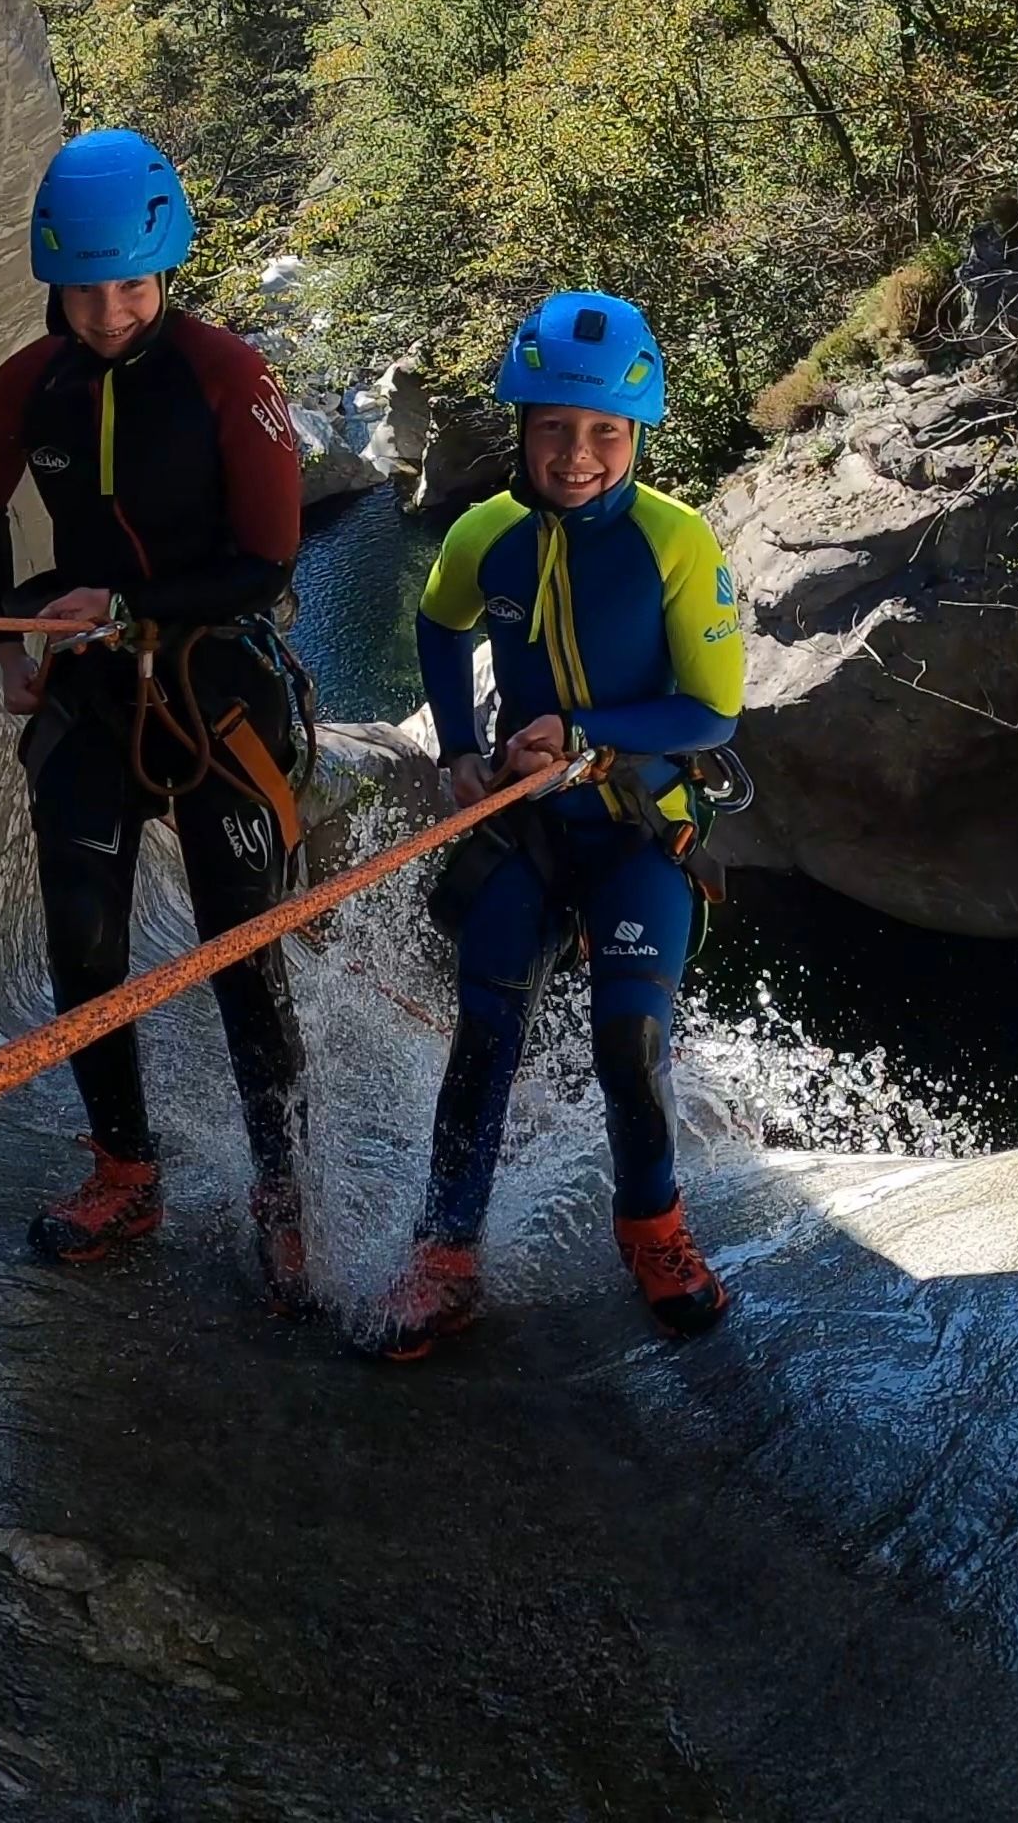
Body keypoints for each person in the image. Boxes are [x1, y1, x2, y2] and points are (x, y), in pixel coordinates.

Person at [0, 128, 314, 1311]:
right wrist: (7, 636)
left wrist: (130, 604)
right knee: (82, 934)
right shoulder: (30, 381)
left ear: (167, 272)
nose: (109, 311)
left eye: (132, 284)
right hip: (97, 687)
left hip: (217, 673)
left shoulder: (228, 377)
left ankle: (284, 1192)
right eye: (87, 287)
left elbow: (265, 561)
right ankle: (124, 1169)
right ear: (53, 276)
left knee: (237, 949)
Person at [373, 290, 745, 1360]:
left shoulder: (676, 542)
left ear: (634, 437)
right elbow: (437, 628)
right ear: (522, 428)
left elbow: (710, 708)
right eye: (554, 429)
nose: (578, 455)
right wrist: (454, 749)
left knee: (629, 1040)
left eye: (605, 434)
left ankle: (656, 1228)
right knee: (486, 1028)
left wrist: (581, 728)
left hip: (635, 824)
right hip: (528, 821)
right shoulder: (486, 536)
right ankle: (444, 1255)